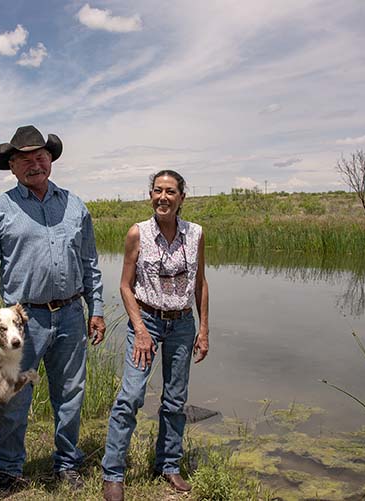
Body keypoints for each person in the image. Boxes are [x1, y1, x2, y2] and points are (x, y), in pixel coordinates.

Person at [0, 125, 106, 497]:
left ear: (51, 160)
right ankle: (9, 472)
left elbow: (90, 261)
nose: (35, 164)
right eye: (25, 159)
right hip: (21, 322)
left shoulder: (75, 206)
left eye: (41, 156)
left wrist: (98, 308)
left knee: (71, 393)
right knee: (12, 399)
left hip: (72, 314)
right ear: (11, 166)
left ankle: (67, 465)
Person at [101, 170, 209, 501]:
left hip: (182, 322)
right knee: (131, 396)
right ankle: (113, 473)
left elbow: (200, 283)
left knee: (175, 399)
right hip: (146, 318)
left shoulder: (196, 234)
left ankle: (169, 465)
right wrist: (141, 329)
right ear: (151, 195)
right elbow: (124, 285)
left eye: (171, 192)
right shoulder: (138, 233)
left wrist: (203, 328)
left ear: (182, 198)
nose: (163, 197)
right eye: (158, 191)